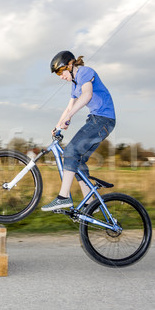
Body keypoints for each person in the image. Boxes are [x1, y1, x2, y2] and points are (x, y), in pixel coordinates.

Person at [41, 50, 116, 211]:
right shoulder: (75, 84)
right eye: (57, 74)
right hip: (97, 120)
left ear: (71, 64)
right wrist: (58, 125)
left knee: (70, 152)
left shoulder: (85, 72)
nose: (61, 76)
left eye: (61, 71)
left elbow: (87, 95)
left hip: (103, 120)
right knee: (77, 161)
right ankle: (91, 204)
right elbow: (69, 106)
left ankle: (63, 198)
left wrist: (69, 116)